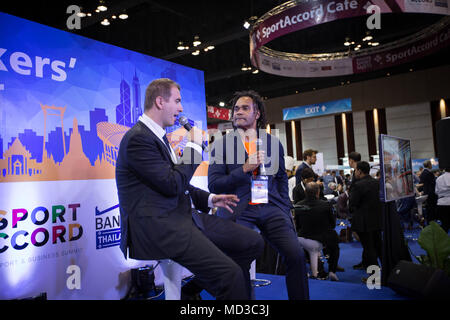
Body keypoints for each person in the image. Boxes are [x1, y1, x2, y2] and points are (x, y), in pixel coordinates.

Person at [116, 78, 264, 300]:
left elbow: (177, 183)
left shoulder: (156, 137)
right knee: (230, 275)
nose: (181, 108)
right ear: (159, 101)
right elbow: (172, 183)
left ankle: (192, 291)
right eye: (177, 101)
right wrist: (193, 146)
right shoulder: (138, 139)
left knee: (253, 242)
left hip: (183, 217)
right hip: (160, 227)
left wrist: (211, 199)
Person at [208, 90, 310, 300]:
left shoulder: (273, 142)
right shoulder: (221, 145)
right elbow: (214, 185)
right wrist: (244, 169)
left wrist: (284, 206)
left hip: (271, 208)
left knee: (296, 255)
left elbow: (282, 177)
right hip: (239, 209)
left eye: (245, 108)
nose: (238, 112)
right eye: (236, 109)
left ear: (257, 114)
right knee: (239, 261)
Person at [294, 182, 342, 281]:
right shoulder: (326, 205)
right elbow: (332, 224)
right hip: (321, 236)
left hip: (303, 236)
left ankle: (316, 269)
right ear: (318, 192)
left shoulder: (298, 205)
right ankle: (332, 270)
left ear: (305, 192)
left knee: (308, 245)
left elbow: (297, 225)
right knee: (334, 244)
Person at [349, 161, 382, 279]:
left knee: (369, 249)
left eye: (356, 170)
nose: (355, 172)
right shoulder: (376, 183)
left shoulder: (358, 185)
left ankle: (374, 277)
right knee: (377, 246)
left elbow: (352, 203)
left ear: (360, 171)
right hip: (377, 219)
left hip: (363, 221)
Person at [436, 168, 450, 233]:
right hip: (448, 202)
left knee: (444, 225)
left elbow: (436, 191)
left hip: (441, 203)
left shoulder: (438, 178)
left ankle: (443, 242)